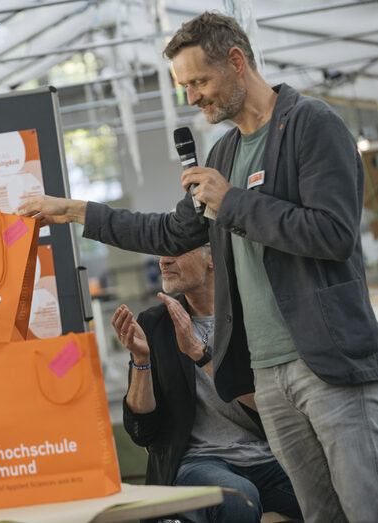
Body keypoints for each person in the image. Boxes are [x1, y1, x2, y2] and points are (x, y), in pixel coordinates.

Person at [19, 12, 378, 522]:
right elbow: (168, 232)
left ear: (237, 62)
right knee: (320, 516)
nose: (191, 97)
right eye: (184, 85)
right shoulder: (225, 151)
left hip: (328, 365)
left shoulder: (311, 124)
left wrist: (232, 201)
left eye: (198, 81)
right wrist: (74, 211)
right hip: (267, 376)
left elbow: (334, 233)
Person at [115, 245, 301, 522]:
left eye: (175, 249)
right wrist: (141, 359)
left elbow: (275, 406)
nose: (163, 260)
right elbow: (142, 431)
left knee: (335, 489)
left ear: (212, 256)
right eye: (160, 251)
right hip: (198, 462)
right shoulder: (154, 324)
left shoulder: (254, 316)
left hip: (268, 456)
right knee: (239, 498)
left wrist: (201, 355)